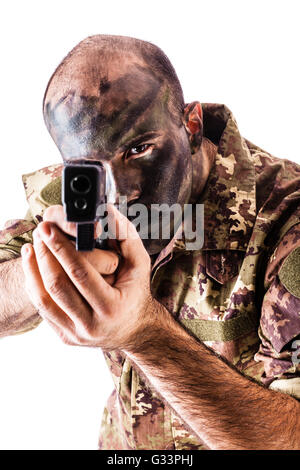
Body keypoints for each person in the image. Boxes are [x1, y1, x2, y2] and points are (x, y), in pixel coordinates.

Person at [0, 34, 300, 450]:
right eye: (88, 168)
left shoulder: (287, 224)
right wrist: (45, 270)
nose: (120, 194)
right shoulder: (82, 195)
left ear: (191, 125)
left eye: (139, 150)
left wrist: (142, 332)